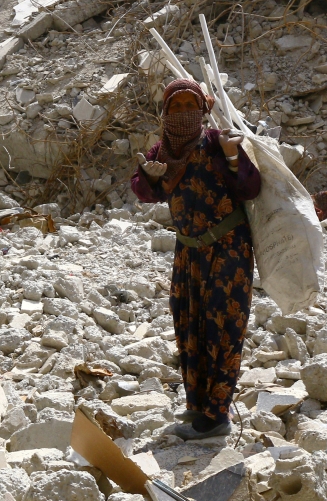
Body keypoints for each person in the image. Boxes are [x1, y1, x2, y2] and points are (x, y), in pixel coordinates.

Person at [130, 79, 261, 440]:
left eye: (191, 106)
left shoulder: (219, 143)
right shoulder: (163, 151)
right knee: (189, 324)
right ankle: (197, 403)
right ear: (164, 114)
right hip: (188, 251)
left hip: (228, 250)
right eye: (175, 108)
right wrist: (150, 179)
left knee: (223, 328)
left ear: (203, 110)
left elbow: (251, 187)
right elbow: (143, 191)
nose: (183, 114)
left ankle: (217, 415)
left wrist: (234, 158)